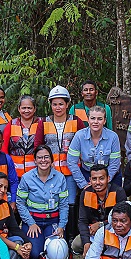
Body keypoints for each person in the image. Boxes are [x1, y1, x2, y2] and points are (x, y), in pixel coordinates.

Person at [44, 85, 85, 240]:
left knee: (70, 203)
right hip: (51, 172)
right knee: (53, 202)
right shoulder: (45, 122)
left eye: (61, 104)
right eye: (54, 104)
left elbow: (84, 141)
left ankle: (70, 237)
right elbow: (39, 146)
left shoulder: (76, 121)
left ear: (67, 104)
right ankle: (54, 235)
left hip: (71, 172)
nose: (58, 107)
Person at [17, 145, 70, 259]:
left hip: (53, 221)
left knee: (57, 251)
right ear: (35, 160)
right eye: (40, 158)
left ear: (51, 159)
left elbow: (64, 205)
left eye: (46, 157)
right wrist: (30, 223)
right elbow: (20, 203)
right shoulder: (26, 178)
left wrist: (61, 226)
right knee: (35, 254)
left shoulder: (60, 178)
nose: (43, 160)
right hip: (33, 220)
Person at [73, 164, 127, 255]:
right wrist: (86, 242)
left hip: (113, 231)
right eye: (94, 179)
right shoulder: (85, 193)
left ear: (108, 178)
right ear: (90, 180)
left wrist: (101, 225)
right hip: (93, 232)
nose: (98, 182)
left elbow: (123, 221)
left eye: (101, 178)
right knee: (76, 245)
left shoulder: (118, 192)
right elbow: (82, 221)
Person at [67, 105, 122, 191]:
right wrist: (83, 184)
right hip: (87, 174)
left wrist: (104, 181)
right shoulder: (79, 136)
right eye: (92, 118)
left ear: (104, 121)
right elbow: (71, 162)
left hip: (109, 175)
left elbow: (114, 164)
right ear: (88, 120)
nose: (96, 122)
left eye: (100, 119)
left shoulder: (113, 137)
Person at [3, 95, 44, 178]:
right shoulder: (11, 124)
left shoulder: (41, 123)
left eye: (29, 108)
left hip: (37, 172)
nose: (26, 111)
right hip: (14, 172)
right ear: (19, 109)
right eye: (23, 108)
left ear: (34, 109)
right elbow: (4, 148)